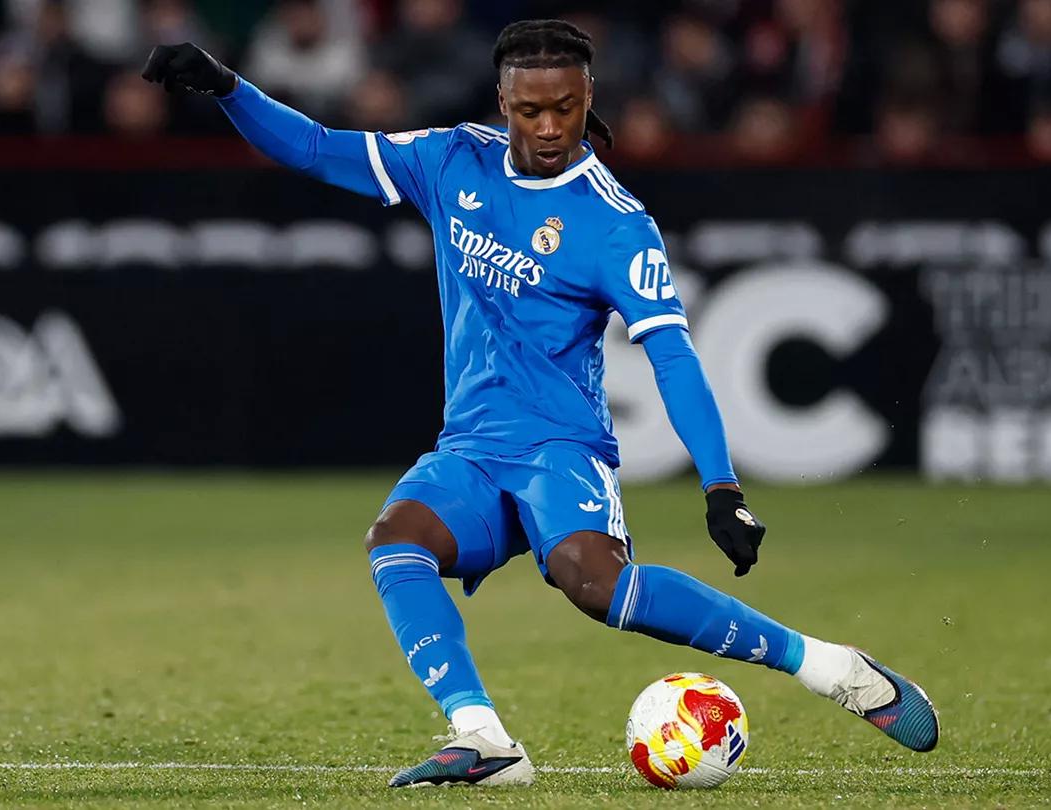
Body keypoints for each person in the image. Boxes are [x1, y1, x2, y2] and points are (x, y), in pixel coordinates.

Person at [141, 19, 939, 788]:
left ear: (588, 99)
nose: (550, 126)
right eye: (530, 110)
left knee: (593, 583)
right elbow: (317, 148)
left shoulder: (616, 224)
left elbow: (674, 357)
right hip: (472, 447)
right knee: (396, 540)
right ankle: (484, 739)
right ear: (503, 102)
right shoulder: (451, 159)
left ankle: (830, 667)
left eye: (566, 107)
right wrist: (229, 87)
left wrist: (721, 486)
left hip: (562, 445)